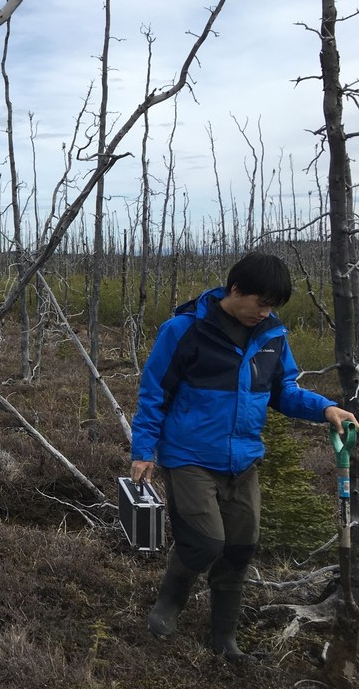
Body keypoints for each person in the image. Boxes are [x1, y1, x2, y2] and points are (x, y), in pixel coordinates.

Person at [130, 251, 357, 660]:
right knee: (204, 542)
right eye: (261, 302)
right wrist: (143, 449)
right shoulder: (184, 330)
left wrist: (325, 408)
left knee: (239, 548)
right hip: (189, 456)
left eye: (272, 306)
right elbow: (154, 393)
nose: (265, 312)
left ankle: (224, 638)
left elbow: (283, 391)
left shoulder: (272, 335)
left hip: (243, 460)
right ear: (236, 290)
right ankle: (169, 602)